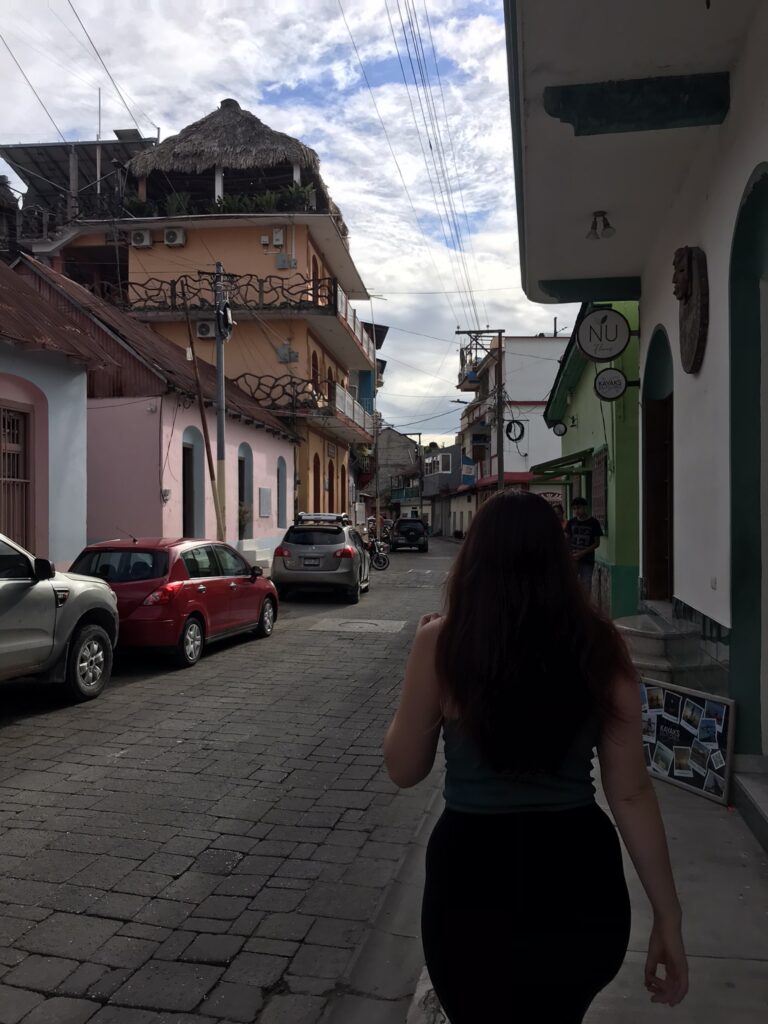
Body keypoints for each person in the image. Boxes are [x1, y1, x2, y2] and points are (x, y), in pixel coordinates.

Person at [383, 491, 687, 1023]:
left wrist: (424, 662)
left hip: (471, 881)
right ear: (559, 559)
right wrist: (669, 914)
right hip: (577, 878)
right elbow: (632, 792)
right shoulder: (601, 647)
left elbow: (404, 770)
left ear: (473, 559)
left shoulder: (442, 642)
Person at [566, 496, 603, 592]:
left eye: (579, 508)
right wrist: (570, 554)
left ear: (584, 507)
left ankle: (586, 605)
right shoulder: (571, 522)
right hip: (573, 558)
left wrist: (582, 553)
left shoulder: (593, 522)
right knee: (571, 583)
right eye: (574, 508)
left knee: (586, 584)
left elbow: (596, 543)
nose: (576, 510)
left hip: (587, 560)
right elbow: (567, 539)